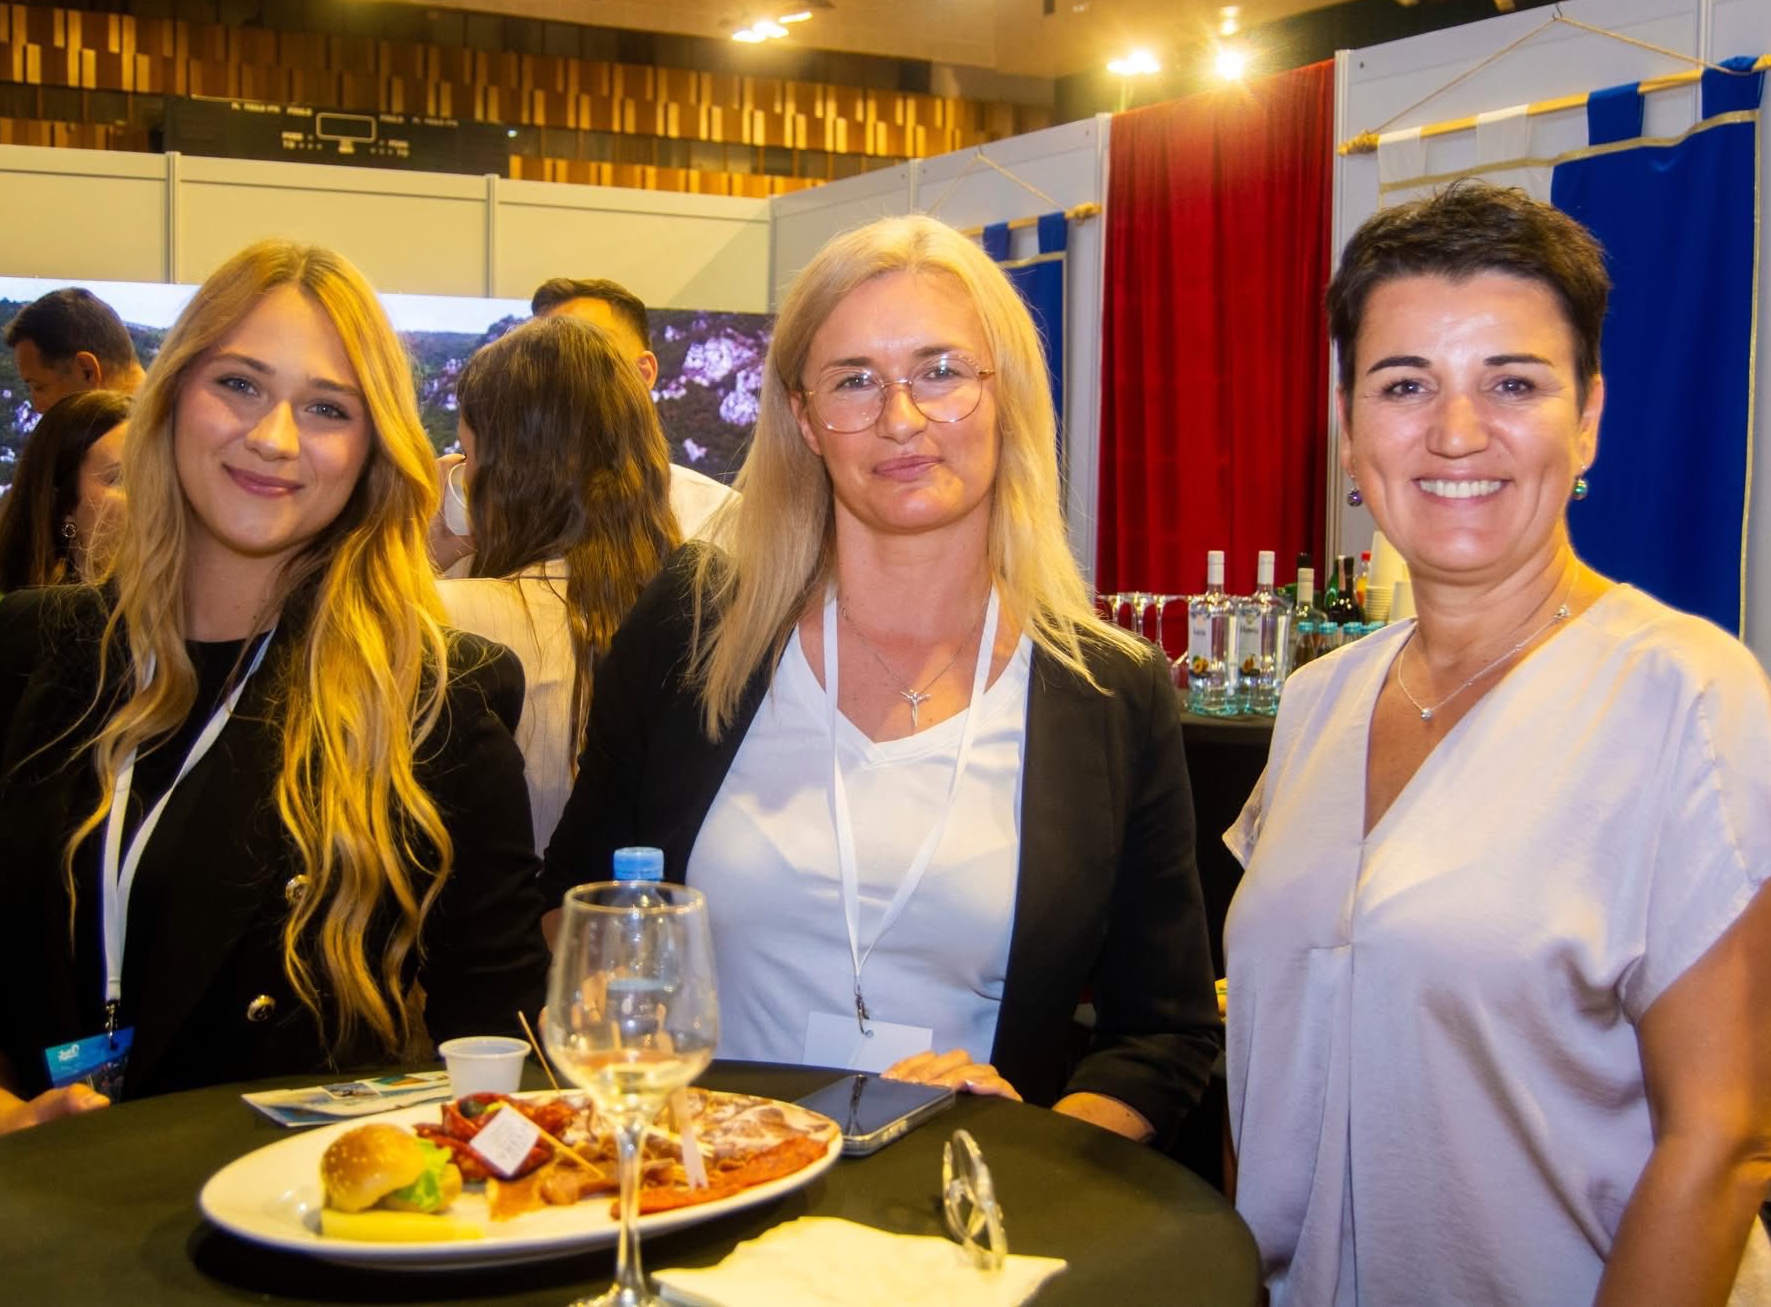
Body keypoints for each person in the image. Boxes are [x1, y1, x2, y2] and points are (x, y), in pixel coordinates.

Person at [1223, 181, 1771, 1304]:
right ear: (1348, 426)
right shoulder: (1318, 701)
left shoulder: (1687, 700)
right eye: (1405, 384)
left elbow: (1724, 1144)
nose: (1456, 432)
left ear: (1586, 417)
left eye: (1512, 383)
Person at [542, 216, 1219, 1143]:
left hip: (961, 1209)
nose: (900, 418)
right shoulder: (695, 631)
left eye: (940, 371)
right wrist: (633, 1062)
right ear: (804, 419)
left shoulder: (1108, 692)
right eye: (854, 380)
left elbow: (1163, 1031)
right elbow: (571, 902)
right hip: (704, 1187)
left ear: (1008, 395)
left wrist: (1041, 1145)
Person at [0, 239, 546, 1144]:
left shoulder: (435, 699)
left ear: (371, 452)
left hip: (292, 1213)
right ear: (170, 401)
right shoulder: (38, 649)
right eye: (239, 384)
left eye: (327, 407)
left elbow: (502, 1066)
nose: (274, 438)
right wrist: (12, 1130)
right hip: (36, 1202)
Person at [436, 315, 678, 848]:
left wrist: (420, 556)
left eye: (468, 454)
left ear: (505, 471)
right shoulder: (690, 616)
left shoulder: (443, 617)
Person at [426, 277, 736, 573]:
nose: (564, 378)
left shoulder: (717, 518)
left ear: (643, 373)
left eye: (590, 354)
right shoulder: (475, 512)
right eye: (542, 361)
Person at [0, 388, 130, 790]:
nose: (149, 495)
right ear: (62, 505)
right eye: (121, 478)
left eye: (156, 476)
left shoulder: (182, 620)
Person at [3, 286, 147, 413]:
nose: (38, 407)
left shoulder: (125, 432)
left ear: (87, 371)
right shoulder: (155, 421)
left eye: (38, 387)